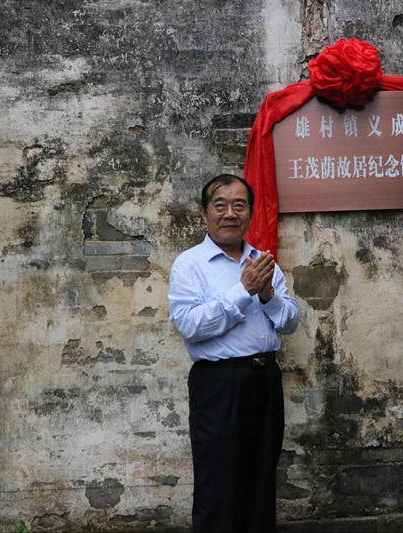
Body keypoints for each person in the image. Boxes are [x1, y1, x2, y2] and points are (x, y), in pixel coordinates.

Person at [168, 174, 299, 531]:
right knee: (219, 483)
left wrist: (268, 295)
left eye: (239, 205)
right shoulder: (190, 264)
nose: (230, 213)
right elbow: (190, 325)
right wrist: (243, 292)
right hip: (219, 383)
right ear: (204, 213)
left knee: (261, 479)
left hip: (265, 379)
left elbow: (290, 323)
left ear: (251, 213)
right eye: (220, 205)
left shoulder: (263, 262)